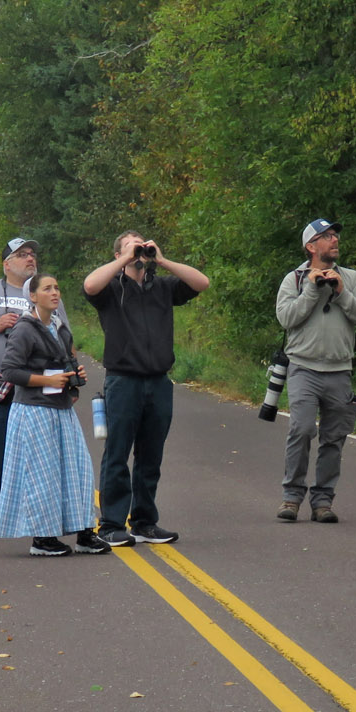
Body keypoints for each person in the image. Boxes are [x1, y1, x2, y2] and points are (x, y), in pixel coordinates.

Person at [82, 231, 210, 547]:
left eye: (142, 246)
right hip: (123, 380)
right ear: (118, 256)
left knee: (150, 457)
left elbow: (201, 283)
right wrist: (126, 259)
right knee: (117, 454)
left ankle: (144, 522)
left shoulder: (162, 287)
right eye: (131, 247)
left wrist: (162, 260)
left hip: (158, 381)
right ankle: (111, 524)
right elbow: (90, 285)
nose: (139, 252)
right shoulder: (111, 289)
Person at [0, 272, 109, 556]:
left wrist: (74, 373)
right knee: (42, 476)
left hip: (60, 409)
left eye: (57, 288)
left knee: (77, 471)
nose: (55, 293)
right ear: (32, 296)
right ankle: (42, 540)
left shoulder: (59, 327)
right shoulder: (24, 328)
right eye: (47, 289)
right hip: (33, 411)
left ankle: (85, 534)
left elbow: (64, 361)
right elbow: (9, 370)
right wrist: (46, 381)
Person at [274, 219, 356, 524]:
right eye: (326, 236)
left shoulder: (352, 278)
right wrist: (310, 290)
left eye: (335, 236)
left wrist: (342, 292)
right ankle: (291, 497)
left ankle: (323, 501)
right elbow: (285, 319)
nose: (334, 240)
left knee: (334, 438)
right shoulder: (293, 279)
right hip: (303, 367)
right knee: (302, 429)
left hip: (339, 370)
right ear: (310, 246)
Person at [0, 237, 71, 522]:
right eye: (22, 254)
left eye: (32, 254)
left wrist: (71, 373)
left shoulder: (45, 294)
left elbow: (66, 337)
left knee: (37, 445)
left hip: (41, 383)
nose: (30, 259)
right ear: (6, 264)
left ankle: (29, 498)